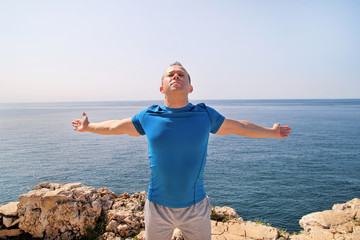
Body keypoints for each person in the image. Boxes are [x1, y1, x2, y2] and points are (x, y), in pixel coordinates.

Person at [72, 62, 291, 240]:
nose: (176, 77)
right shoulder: (149, 116)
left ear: (190, 87)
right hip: (156, 207)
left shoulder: (205, 114)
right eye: (171, 75)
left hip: (196, 208)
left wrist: (272, 132)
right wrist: (89, 126)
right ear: (161, 88)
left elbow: (241, 127)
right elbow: (115, 126)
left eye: (181, 75)